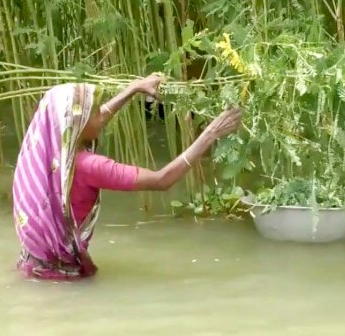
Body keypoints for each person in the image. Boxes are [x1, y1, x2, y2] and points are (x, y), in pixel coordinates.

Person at [12, 75, 242, 280]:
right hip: (66, 278)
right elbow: (162, 180)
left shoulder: (41, 151)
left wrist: (134, 89)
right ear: (77, 124)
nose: (100, 115)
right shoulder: (88, 166)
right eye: (93, 113)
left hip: (34, 265)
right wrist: (211, 134)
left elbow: (93, 120)